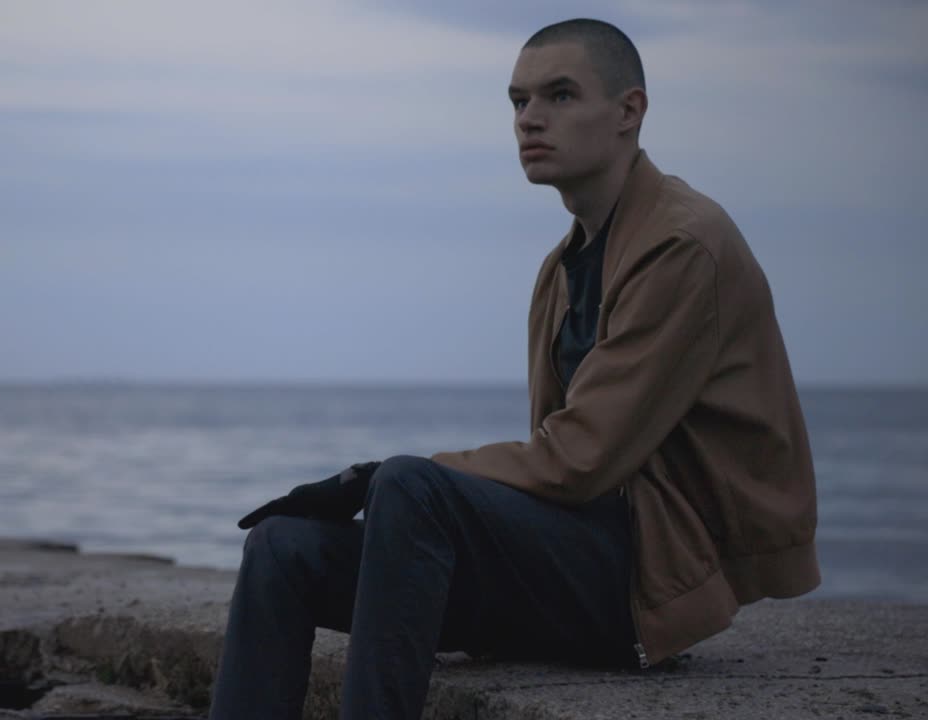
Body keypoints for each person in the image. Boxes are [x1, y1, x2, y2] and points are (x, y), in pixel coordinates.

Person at [207, 17, 819, 720]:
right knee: (282, 547)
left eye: (559, 96)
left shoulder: (683, 246)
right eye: (518, 101)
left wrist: (384, 481)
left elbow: (580, 458)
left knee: (411, 484)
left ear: (630, 110)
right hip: (573, 567)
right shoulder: (560, 270)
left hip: (649, 581)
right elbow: (556, 472)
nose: (530, 119)